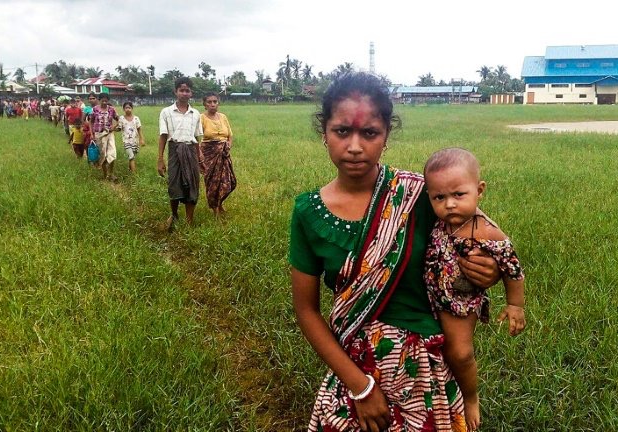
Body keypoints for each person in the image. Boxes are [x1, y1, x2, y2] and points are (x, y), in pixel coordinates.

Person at [289, 72, 501, 432]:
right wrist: (361, 387)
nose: (355, 145)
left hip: (424, 368)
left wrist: (490, 269)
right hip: (355, 368)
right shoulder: (308, 212)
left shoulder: (419, 194)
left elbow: (485, 240)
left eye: (369, 133)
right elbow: (306, 311)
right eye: (342, 131)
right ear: (324, 133)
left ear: (385, 136)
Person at [423, 147, 527, 431]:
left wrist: (515, 305)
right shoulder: (438, 222)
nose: (450, 205)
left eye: (459, 195)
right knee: (435, 350)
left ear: (479, 190)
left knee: (460, 353)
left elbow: (512, 269)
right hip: (430, 296)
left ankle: (470, 398)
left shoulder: (487, 231)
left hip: (460, 303)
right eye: (439, 197)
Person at [157, 76, 203, 230]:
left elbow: (196, 136)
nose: (184, 93)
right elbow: (163, 135)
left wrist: (200, 155)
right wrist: (160, 159)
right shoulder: (166, 112)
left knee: (192, 184)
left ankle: (189, 221)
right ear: (175, 92)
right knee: (174, 184)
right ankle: (174, 214)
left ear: (191, 93)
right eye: (181, 90)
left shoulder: (195, 113)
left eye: (187, 90)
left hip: (191, 150)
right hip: (174, 150)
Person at [199, 93, 237, 218]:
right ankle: (215, 208)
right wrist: (199, 157)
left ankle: (220, 203)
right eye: (209, 102)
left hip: (224, 153)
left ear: (218, 103)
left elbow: (230, 135)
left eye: (215, 101)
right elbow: (197, 138)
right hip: (209, 153)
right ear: (204, 104)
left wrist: (228, 146)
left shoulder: (223, 117)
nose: (212, 104)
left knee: (228, 181)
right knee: (212, 182)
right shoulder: (201, 118)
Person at [91, 93, 119, 181]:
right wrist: (92, 135)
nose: (104, 102)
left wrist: (114, 127)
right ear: (99, 100)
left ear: (108, 101)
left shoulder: (111, 109)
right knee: (103, 155)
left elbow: (119, 119)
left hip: (109, 134)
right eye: (102, 100)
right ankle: (105, 174)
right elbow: (91, 122)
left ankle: (111, 174)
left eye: (106, 101)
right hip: (99, 134)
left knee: (112, 153)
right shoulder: (95, 109)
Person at [117, 101, 144, 173]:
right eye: (126, 108)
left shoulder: (136, 118)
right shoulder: (121, 118)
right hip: (126, 141)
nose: (127, 109)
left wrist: (142, 139)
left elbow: (139, 129)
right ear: (123, 109)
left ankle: (129, 170)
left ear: (132, 108)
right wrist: (113, 129)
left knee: (132, 157)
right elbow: (119, 128)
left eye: (129, 107)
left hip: (135, 141)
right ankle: (134, 174)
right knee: (131, 156)